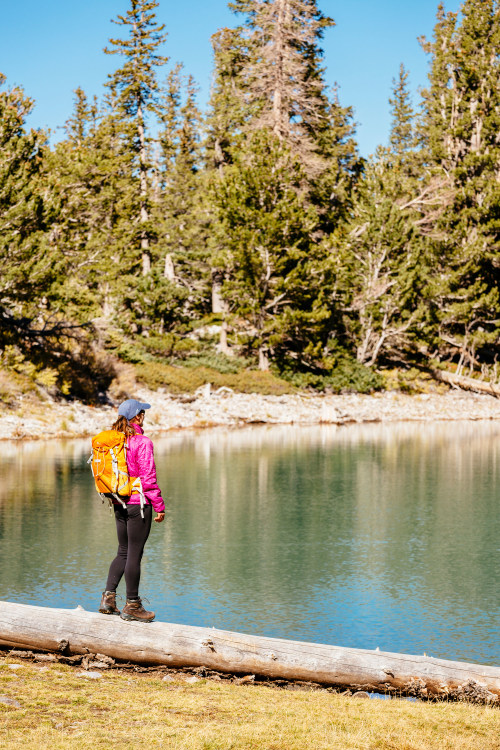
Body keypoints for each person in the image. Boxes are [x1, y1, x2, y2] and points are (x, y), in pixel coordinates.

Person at [99, 398, 165, 622]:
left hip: (118, 502)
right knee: (134, 554)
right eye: (142, 413)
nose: (144, 416)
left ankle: (108, 599)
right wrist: (159, 505)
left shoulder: (115, 441)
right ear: (137, 416)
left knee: (123, 551)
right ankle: (133, 606)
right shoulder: (142, 442)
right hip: (139, 503)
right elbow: (148, 477)